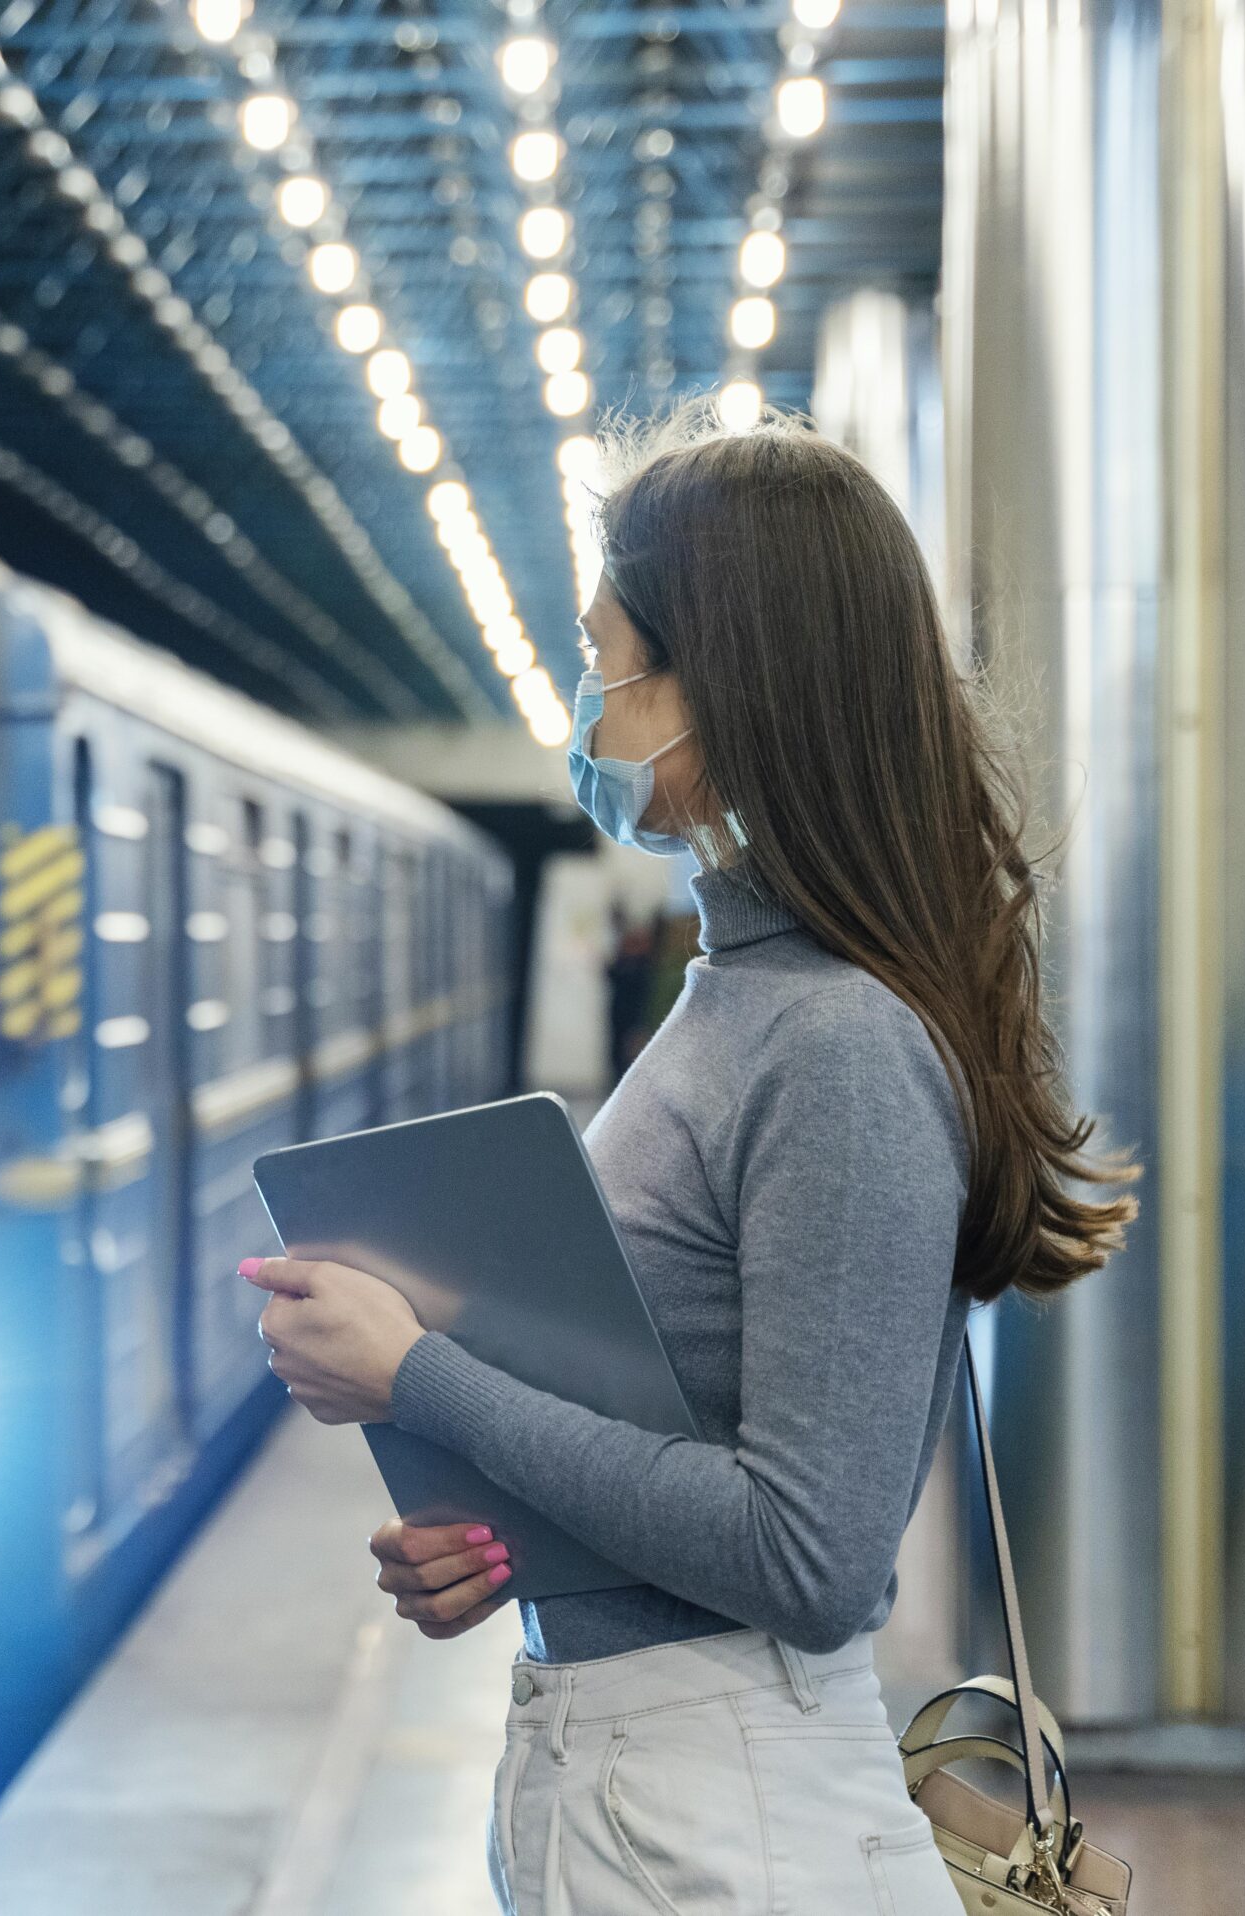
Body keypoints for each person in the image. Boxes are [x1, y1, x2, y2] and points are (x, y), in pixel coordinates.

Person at [240, 409, 1135, 1915]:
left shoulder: (837, 1043)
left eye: (611, 661)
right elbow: (689, 1432)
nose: (590, 700)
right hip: (651, 1797)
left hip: (729, 1823)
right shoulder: (737, 994)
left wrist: (422, 1378)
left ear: (730, 683)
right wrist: (521, 1559)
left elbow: (810, 1557)